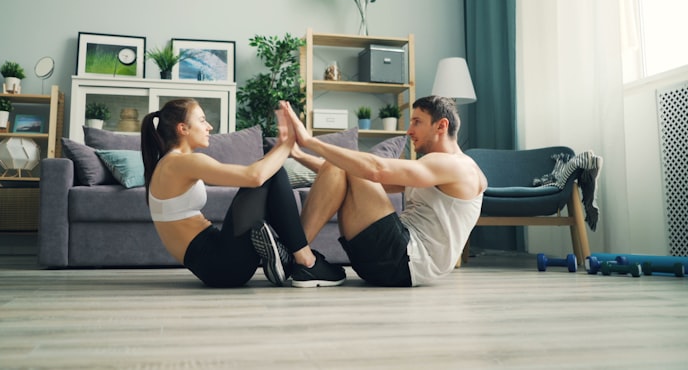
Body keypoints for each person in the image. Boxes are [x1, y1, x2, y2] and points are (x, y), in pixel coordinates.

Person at [282, 96, 487, 287]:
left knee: (353, 165)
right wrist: (298, 154)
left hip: (407, 262)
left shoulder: (457, 166)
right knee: (345, 165)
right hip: (396, 262)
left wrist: (311, 142)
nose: (409, 131)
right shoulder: (436, 168)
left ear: (441, 125)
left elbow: (376, 170)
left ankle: (295, 254)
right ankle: (298, 255)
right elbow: (339, 176)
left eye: (417, 122)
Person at [140, 98, 345, 288]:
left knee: (268, 172)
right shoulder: (183, 162)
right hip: (223, 266)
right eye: (202, 120)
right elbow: (254, 177)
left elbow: (256, 175)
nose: (209, 127)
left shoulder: (166, 163)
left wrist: (285, 146)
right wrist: (289, 141)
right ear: (183, 128)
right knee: (268, 174)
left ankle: (293, 257)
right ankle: (306, 262)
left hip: (214, 265)